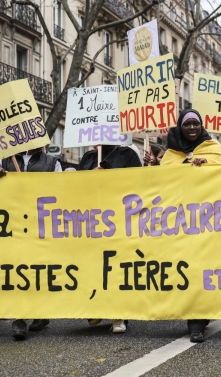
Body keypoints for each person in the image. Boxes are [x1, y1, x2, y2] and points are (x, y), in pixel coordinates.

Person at [161, 108, 221, 342]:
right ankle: (195, 314)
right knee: (187, 268)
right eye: (187, 124)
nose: (192, 128)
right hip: (179, 221)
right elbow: (163, 182)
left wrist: (207, 167)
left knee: (203, 267)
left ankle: (197, 322)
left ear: (202, 127)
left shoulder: (213, 148)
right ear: (180, 126)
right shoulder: (170, 153)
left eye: (196, 124)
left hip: (207, 220)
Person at [0, 147, 61, 340]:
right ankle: (19, 319)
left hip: (40, 223)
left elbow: (62, 190)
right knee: (17, 269)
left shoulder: (52, 162)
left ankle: (40, 313)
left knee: (38, 269)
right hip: (14, 223)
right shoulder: (6, 161)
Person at [82, 143, 141, 333]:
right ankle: (97, 307)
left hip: (120, 218)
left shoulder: (128, 155)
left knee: (117, 266)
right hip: (93, 221)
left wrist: (111, 177)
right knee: (95, 266)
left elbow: (139, 182)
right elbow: (76, 186)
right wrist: (92, 175)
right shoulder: (89, 157)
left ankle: (118, 316)